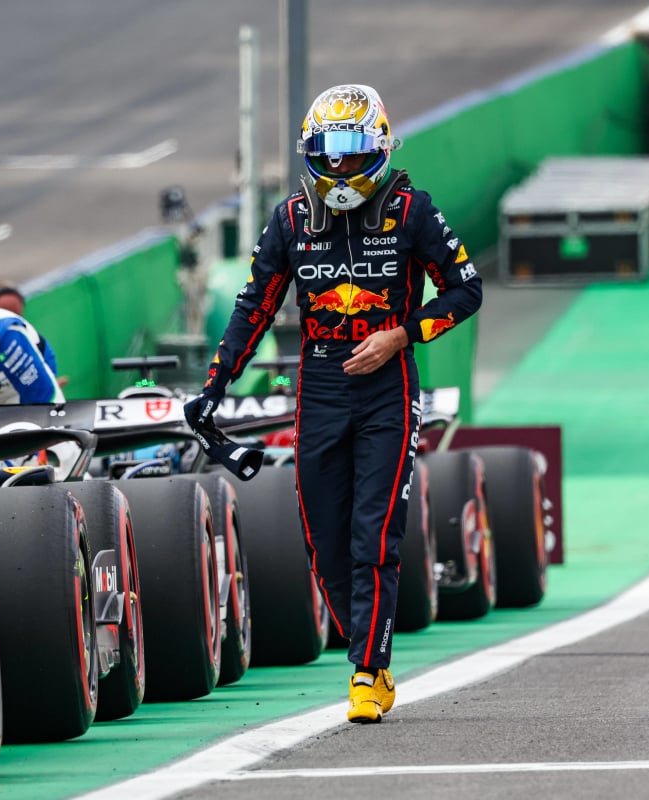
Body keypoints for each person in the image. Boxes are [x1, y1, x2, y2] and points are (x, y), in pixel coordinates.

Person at [184, 84, 482, 723]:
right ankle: (367, 642)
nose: (340, 165)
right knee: (324, 536)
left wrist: (402, 334)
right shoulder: (291, 218)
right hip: (318, 385)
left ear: (377, 148)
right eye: (328, 152)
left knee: (374, 534)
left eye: (351, 152)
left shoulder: (413, 211)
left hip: (390, 385)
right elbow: (254, 307)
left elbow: (466, 289)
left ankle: (368, 671)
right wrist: (214, 385)